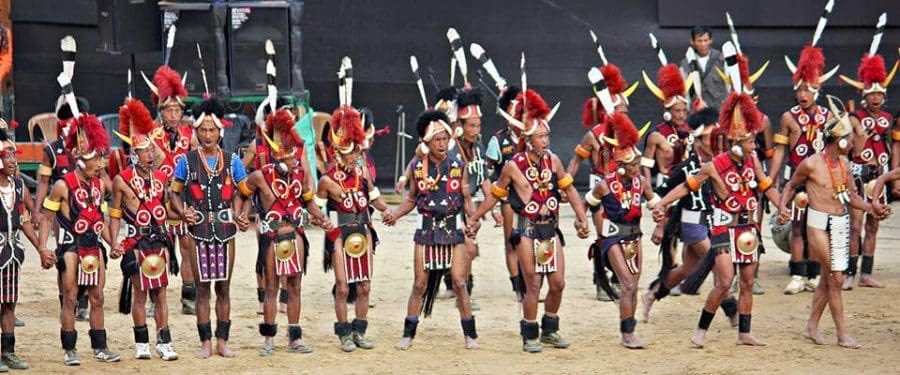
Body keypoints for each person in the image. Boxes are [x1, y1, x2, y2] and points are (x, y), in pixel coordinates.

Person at [653, 89, 780, 348]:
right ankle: (701, 330)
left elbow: (766, 185)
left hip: (748, 228)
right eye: (750, 142)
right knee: (723, 281)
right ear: (736, 142)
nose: (754, 145)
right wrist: (662, 203)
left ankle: (744, 333)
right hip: (724, 228)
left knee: (746, 282)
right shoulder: (713, 166)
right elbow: (686, 187)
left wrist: (782, 207)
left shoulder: (753, 160)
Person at [470, 89, 590, 352]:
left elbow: (570, 190)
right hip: (526, 230)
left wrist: (582, 219)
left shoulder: (554, 161)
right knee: (533, 283)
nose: (546, 140)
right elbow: (495, 196)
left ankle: (550, 329)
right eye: (541, 136)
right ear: (528, 138)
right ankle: (530, 332)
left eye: (547, 135)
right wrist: (476, 217)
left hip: (551, 229)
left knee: (558, 283)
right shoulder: (513, 165)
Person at [777, 96, 876, 349]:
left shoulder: (844, 163)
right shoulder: (811, 164)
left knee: (827, 279)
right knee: (836, 277)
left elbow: (850, 196)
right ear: (839, 140)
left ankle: (811, 327)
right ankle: (842, 333)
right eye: (851, 138)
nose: (854, 142)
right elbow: (790, 185)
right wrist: (782, 207)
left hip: (840, 222)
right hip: (818, 223)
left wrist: (871, 207)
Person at [386, 109, 481, 351]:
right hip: (426, 230)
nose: (441, 144)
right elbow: (410, 200)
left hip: (453, 228)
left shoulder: (459, 165)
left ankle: (470, 335)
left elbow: (466, 197)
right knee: (419, 284)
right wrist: (394, 215)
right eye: (436, 140)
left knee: (459, 282)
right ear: (427, 142)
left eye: (444, 139)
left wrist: (474, 218)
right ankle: (408, 334)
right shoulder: (418, 167)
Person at [239, 106, 329, 355]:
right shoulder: (260, 161)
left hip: (295, 230)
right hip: (271, 230)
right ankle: (269, 339)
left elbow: (309, 196)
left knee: (295, 286)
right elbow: (243, 188)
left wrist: (321, 218)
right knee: (271, 286)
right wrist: (242, 215)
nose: (293, 158)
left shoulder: (300, 165)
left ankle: (294, 338)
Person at [168, 97, 249, 359]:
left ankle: (222, 341)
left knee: (223, 288)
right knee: (202, 288)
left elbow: (245, 191)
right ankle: (205, 341)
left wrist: (241, 213)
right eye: (202, 130)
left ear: (220, 132)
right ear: (196, 132)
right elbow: (174, 193)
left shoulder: (232, 160)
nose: (207, 135)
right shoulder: (186, 161)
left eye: (212, 130)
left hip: (226, 231)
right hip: (198, 232)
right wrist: (184, 212)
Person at [38, 112, 121, 365]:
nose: (100, 162)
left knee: (98, 297)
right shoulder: (63, 185)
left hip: (93, 246)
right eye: (96, 158)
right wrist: (43, 247)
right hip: (72, 247)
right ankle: (69, 349)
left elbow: (100, 219)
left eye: (100, 157)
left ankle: (100, 347)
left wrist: (112, 243)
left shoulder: (100, 185)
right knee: (71, 297)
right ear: (81, 159)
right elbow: (47, 218)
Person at [642, 108, 739, 323]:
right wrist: (660, 224)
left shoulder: (721, 163)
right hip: (692, 222)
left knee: (687, 269)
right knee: (719, 267)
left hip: (713, 221)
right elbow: (663, 193)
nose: (712, 141)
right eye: (707, 137)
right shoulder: (686, 168)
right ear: (697, 139)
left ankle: (653, 293)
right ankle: (734, 312)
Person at [108, 99, 179, 361]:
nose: (151, 154)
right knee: (139, 293)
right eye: (146, 151)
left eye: (152, 150)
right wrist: (114, 242)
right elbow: (115, 214)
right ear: (134, 154)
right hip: (136, 241)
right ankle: (142, 344)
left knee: (161, 294)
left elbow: (168, 209)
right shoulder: (121, 180)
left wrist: (185, 215)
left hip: (160, 240)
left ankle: (164, 342)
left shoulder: (161, 178)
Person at [317, 104, 392, 352]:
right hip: (340, 233)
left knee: (365, 286)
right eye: (351, 153)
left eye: (356, 152)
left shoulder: (362, 173)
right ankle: (344, 334)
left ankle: (359, 331)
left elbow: (375, 198)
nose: (355, 156)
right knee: (342, 286)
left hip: (364, 230)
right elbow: (315, 209)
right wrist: (323, 220)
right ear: (339, 153)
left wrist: (387, 210)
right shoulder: (327, 180)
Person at [583, 112, 657, 348]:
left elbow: (654, 203)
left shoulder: (642, 183)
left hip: (634, 237)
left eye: (637, 164)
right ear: (622, 166)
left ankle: (628, 327)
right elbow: (590, 204)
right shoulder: (605, 185)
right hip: (612, 237)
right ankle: (627, 334)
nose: (637, 168)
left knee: (633, 286)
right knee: (627, 283)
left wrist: (660, 216)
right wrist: (583, 223)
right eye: (633, 165)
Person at [769, 43, 839, 295]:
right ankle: (798, 274)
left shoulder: (827, 115)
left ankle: (814, 275)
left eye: (808, 88)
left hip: (820, 181)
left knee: (818, 229)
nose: (803, 93)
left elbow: (836, 150)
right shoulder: (788, 117)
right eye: (799, 88)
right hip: (796, 179)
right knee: (797, 228)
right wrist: (771, 179)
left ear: (818, 89)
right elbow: (779, 150)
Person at [568, 62, 636, 301]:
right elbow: (576, 160)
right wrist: (567, 183)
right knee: (604, 236)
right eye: (621, 112)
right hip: (601, 190)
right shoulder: (594, 135)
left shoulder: (628, 135)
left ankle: (620, 277)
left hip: (623, 191)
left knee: (627, 234)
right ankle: (601, 281)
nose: (625, 116)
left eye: (627, 112)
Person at [839, 42, 897, 289]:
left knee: (873, 225)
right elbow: (848, 147)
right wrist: (854, 126)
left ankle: (866, 274)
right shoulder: (855, 118)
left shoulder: (888, 118)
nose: (876, 98)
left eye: (880, 94)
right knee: (855, 226)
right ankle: (850, 272)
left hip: (880, 177)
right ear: (864, 95)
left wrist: (893, 177)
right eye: (872, 94)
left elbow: (893, 148)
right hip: (857, 176)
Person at [141, 66, 199, 315]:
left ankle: (188, 298)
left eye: (178, 110)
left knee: (187, 247)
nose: (175, 114)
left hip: (183, 199)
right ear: (161, 111)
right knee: (159, 248)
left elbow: (197, 162)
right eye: (170, 110)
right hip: (158, 200)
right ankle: (156, 299)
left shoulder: (190, 134)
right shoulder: (151, 135)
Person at [0, 122, 53, 370]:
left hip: (11, 254)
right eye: (7, 155)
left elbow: (23, 221)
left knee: (9, 303)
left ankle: (8, 352)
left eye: (13, 155)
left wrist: (40, 248)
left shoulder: (18, 186)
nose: (13, 160)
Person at [483, 86, 524, 299]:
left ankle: (530, 280)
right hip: (508, 199)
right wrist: (492, 208)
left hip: (531, 201)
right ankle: (518, 286)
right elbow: (488, 176)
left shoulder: (532, 139)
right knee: (511, 243)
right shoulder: (497, 142)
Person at [679, 25, 727, 110]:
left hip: (718, 112)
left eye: (706, 40)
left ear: (711, 40)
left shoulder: (722, 60)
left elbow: (730, 87)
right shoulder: (685, 64)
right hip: (696, 113)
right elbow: (684, 93)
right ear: (692, 41)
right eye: (699, 41)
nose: (703, 44)